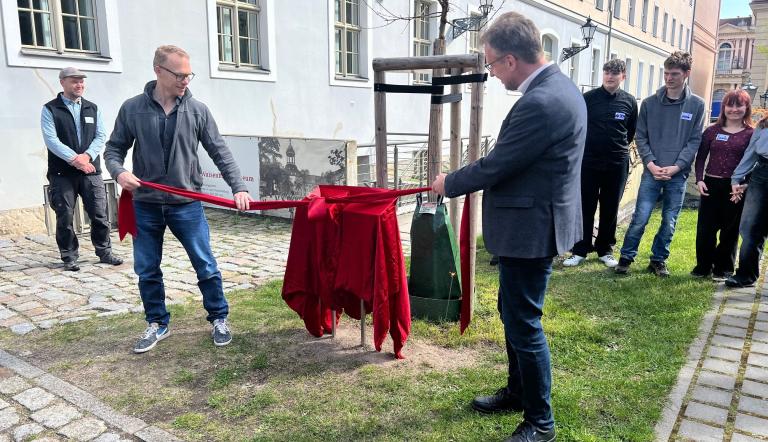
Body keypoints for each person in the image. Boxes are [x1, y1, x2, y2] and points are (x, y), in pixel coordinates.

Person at [432, 12, 586, 442]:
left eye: (492, 63)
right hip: (535, 223)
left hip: (531, 229)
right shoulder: (560, 89)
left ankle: (541, 422)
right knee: (513, 313)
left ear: (512, 59)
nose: (493, 73)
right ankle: (519, 392)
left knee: (524, 323)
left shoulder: (541, 102)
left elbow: (498, 164)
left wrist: (450, 183)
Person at [104, 45, 252, 353]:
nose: (186, 80)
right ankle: (157, 323)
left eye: (188, 74)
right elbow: (113, 149)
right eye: (180, 74)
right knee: (146, 268)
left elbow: (220, 151)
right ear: (158, 70)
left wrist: (238, 187)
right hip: (145, 204)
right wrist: (119, 173)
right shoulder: (132, 109)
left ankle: (219, 318)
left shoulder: (198, 111)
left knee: (205, 264)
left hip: (187, 205)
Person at [614, 51, 705, 277]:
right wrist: (651, 164)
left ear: (686, 74)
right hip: (651, 172)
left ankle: (658, 259)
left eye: (674, 74)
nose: (669, 78)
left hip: (678, 174)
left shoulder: (697, 105)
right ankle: (626, 257)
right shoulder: (649, 104)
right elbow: (640, 136)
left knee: (669, 220)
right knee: (641, 217)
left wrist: (676, 167)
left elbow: (695, 140)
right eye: (666, 73)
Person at [42, 67, 123, 272]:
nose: (79, 85)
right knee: (65, 216)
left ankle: (104, 252)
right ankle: (69, 256)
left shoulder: (92, 108)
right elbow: (51, 140)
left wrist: (87, 157)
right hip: (62, 173)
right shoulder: (51, 109)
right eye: (74, 81)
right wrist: (75, 160)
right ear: (62, 82)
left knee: (99, 214)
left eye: (81, 81)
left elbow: (101, 135)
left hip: (91, 171)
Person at [564, 59, 638, 268]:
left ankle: (605, 249)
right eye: (607, 72)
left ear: (623, 76)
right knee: (585, 207)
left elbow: (630, 132)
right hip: (588, 163)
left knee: (610, 207)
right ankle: (580, 249)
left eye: (615, 73)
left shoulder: (630, 102)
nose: (610, 76)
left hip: (616, 163)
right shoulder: (587, 99)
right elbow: (577, 127)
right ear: (603, 74)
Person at [691, 89, 753, 280]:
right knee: (706, 228)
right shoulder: (711, 131)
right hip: (711, 183)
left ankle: (723, 268)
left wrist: (745, 185)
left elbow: (754, 162)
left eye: (739, 105)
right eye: (730, 105)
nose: (734, 109)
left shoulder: (751, 134)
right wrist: (699, 179)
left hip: (735, 188)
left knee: (730, 229)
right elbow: (700, 157)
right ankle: (703, 266)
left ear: (746, 108)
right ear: (724, 107)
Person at [724, 111, 768, 288]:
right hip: (762, 173)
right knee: (750, 226)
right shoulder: (764, 124)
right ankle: (746, 274)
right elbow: (750, 153)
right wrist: (737, 178)